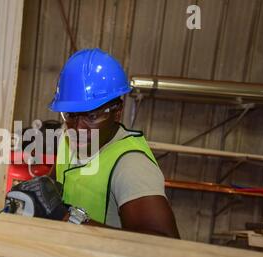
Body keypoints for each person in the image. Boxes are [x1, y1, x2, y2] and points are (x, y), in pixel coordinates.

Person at [48, 48, 180, 239]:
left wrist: (78, 223)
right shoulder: (67, 137)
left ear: (117, 112)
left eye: (92, 116)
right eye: (70, 115)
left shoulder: (131, 165)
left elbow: (165, 245)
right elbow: (58, 181)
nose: (77, 128)